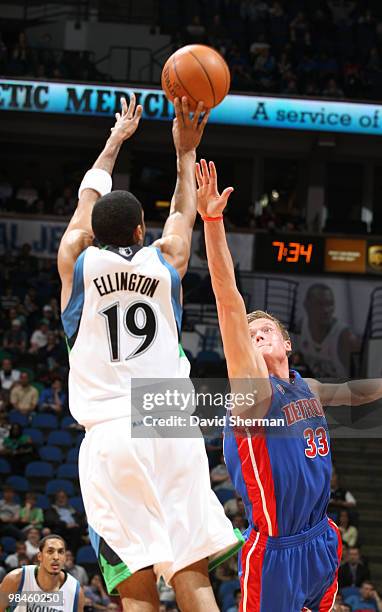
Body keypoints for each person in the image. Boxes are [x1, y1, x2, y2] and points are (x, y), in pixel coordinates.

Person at [57, 95, 241, 612]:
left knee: (135, 579)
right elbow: (183, 215)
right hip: (169, 419)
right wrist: (186, 154)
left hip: (111, 431)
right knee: (191, 569)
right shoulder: (165, 262)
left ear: (95, 231)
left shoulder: (77, 259)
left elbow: (83, 205)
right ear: (142, 232)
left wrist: (115, 141)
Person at [196, 158, 382, 612]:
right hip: (276, 550)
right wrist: (214, 223)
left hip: (322, 536)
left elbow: (358, 392)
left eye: (265, 331)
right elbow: (228, 300)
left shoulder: (309, 388)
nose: (255, 335)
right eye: (250, 333)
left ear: (287, 342)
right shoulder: (253, 393)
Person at [0, 534, 84, 611]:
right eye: (50, 551)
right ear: (40, 556)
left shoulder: (75, 592)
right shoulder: (16, 579)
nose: (56, 557)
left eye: (60, 552)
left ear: (65, 557)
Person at [298, 283, 361, 378]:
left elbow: (361, 379)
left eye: (330, 304)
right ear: (307, 305)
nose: (326, 310)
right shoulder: (300, 326)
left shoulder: (346, 337)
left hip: (338, 391)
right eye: (320, 304)